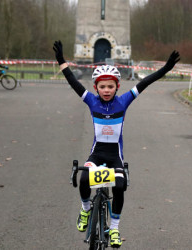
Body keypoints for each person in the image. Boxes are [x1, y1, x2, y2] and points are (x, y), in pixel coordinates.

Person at [53, 40, 180, 248]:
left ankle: (114, 229)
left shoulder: (123, 101)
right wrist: (61, 61)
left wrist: (166, 68)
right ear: (96, 87)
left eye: (110, 86)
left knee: (119, 185)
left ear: (117, 87)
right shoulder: (91, 101)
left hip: (114, 157)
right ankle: (85, 210)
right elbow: (73, 82)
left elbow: (145, 82)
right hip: (97, 154)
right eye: (102, 86)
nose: (106, 90)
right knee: (84, 178)